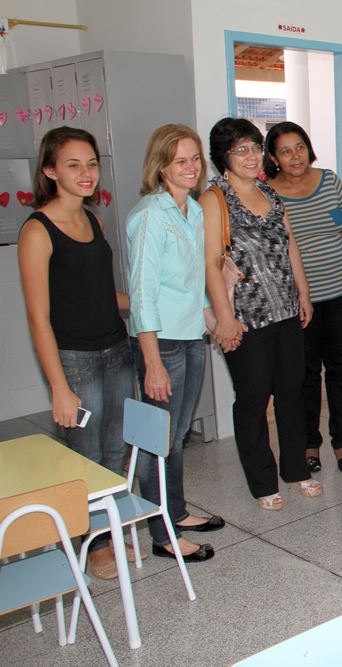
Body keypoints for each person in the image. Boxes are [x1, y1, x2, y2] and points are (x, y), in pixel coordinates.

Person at [18, 126, 132, 579]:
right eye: (72, 165)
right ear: (49, 171)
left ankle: (101, 530)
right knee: (83, 457)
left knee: (113, 451)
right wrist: (59, 388)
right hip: (76, 361)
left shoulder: (93, 220)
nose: (86, 174)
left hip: (117, 351)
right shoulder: (37, 230)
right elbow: (38, 318)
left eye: (91, 163)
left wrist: (148, 301)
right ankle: (91, 544)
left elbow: (104, 294)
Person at [201, 117, 322, 511]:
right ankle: (262, 482)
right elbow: (211, 262)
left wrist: (303, 294)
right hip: (246, 318)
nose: (251, 156)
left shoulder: (271, 195)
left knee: (292, 391)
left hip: (285, 311)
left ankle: (296, 470)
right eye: (241, 150)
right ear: (223, 157)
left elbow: (291, 247)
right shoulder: (215, 199)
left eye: (254, 148)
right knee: (253, 398)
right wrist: (225, 318)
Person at [126, 124, 225, 563]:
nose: (190, 167)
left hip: (189, 334)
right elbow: (143, 292)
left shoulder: (193, 210)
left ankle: (177, 512)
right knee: (159, 439)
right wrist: (151, 362)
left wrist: (210, 314)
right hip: (160, 341)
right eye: (180, 160)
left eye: (195, 159)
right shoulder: (150, 214)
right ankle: (163, 533)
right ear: (161, 166)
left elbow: (195, 277)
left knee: (178, 433)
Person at [265, 122, 342, 475]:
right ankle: (309, 443)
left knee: (339, 369)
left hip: (340, 294)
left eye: (299, 147)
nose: (295, 156)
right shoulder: (268, 194)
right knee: (304, 374)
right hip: (297, 302)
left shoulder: (330, 181)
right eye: (285, 150)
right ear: (273, 157)